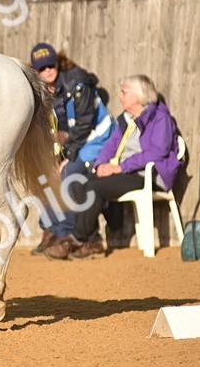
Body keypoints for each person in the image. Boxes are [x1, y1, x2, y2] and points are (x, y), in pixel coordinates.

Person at [46, 75, 183, 260]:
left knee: (95, 187)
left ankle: (77, 238)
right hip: (125, 172)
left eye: (124, 92)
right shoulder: (126, 119)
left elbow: (156, 153)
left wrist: (120, 167)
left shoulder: (160, 117)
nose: (120, 96)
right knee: (80, 183)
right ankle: (93, 242)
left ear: (140, 95)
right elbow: (110, 145)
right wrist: (101, 164)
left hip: (148, 175)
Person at [28, 43, 114, 256]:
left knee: (68, 174)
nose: (48, 70)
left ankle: (68, 235)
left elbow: (84, 124)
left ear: (58, 62)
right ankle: (53, 230)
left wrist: (69, 156)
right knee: (44, 176)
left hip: (98, 139)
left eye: (51, 64)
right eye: (42, 68)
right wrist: (53, 153)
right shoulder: (45, 90)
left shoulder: (77, 82)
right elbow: (60, 129)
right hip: (76, 141)